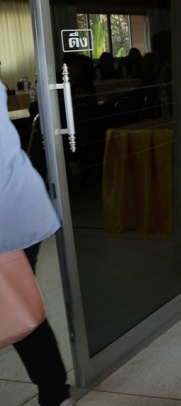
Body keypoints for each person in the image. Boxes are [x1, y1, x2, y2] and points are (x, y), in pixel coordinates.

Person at [1, 111, 74, 406]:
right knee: (16, 304)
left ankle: (56, 394)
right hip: (20, 205)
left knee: (14, 304)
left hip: (9, 214)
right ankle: (56, 395)